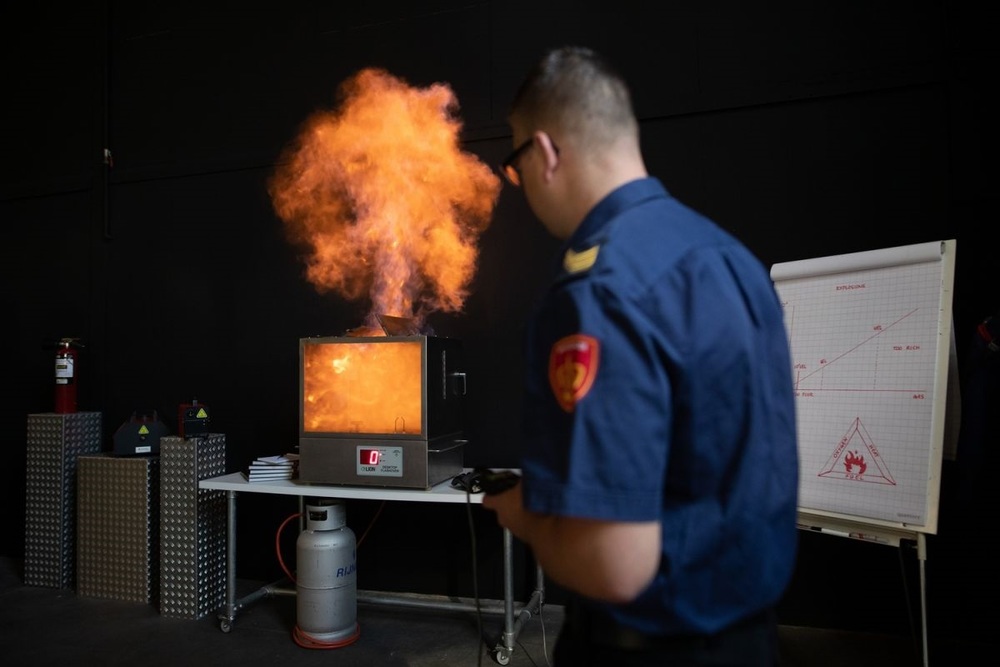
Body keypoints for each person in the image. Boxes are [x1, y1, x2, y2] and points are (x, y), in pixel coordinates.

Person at [482, 46, 800, 666]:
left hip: (648, 648)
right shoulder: (727, 256)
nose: (519, 185)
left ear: (545, 153)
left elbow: (615, 567)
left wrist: (525, 515)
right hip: (751, 642)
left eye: (514, 163)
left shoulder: (597, 290)